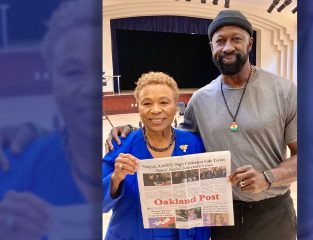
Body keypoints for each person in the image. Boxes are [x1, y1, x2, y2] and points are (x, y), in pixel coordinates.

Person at [106, 10, 297, 240]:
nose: (227, 47)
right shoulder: (200, 99)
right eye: (220, 41)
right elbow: (175, 144)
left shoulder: (284, 91)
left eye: (236, 38)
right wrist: (133, 130)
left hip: (272, 213)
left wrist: (268, 178)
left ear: (250, 43)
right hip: (219, 216)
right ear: (211, 47)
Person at [0, 0, 102, 239]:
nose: (90, 88)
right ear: (52, 83)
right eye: (72, 72)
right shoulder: (12, 174)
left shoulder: (134, 157)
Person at [102, 72, 210, 240]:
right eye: (147, 103)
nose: (156, 110)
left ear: (176, 106)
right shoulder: (121, 145)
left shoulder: (194, 143)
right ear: (138, 107)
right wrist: (116, 178)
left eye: (164, 102)